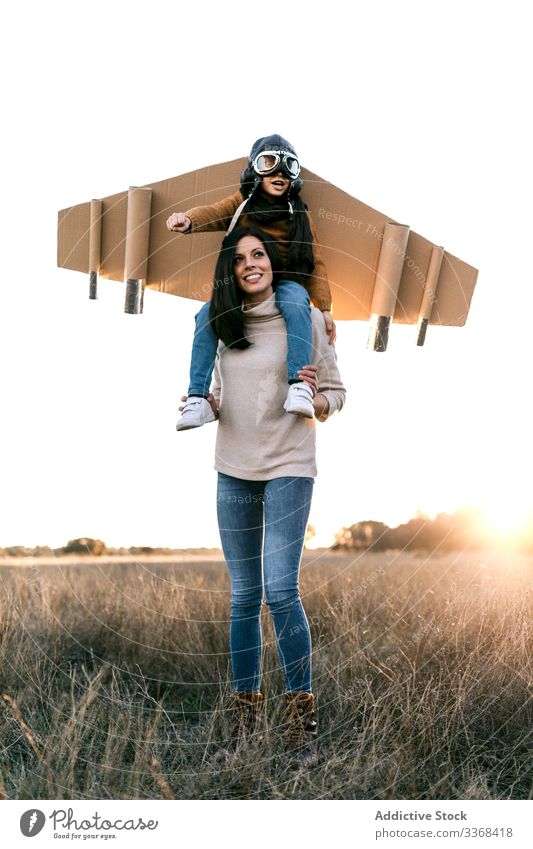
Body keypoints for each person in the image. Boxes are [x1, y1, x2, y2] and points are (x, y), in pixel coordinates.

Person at [183, 225, 346, 768]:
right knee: (243, 597)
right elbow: (223, 392)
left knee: (280, 590)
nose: (251, 264)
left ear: (273, 261)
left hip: (290, 466)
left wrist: (318, 403)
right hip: (234, 468)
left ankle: (302, 735)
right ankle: (243, 731)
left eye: (259, 255)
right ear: (229, 271)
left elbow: (337, 393)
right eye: (240, 259)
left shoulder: (308, 321)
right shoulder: (222, 323)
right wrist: (205, 398)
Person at [167, 134, 337, 430]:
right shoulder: (242, 204)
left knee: (297, 301)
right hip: (245, 283)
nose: (279, 174)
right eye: (269, 163)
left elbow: (316, 259)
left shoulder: (298, 213)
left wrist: (324, 307)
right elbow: (213, 212)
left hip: (284, 282)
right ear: (254, 170)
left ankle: (298, 384)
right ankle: (198, 397)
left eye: (289, 168)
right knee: (207, 312)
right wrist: (189, 220)